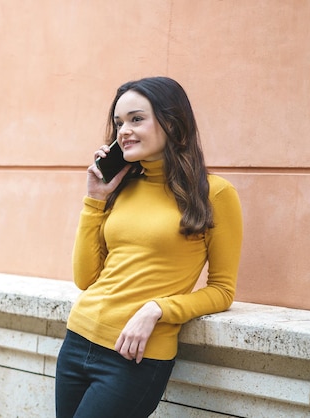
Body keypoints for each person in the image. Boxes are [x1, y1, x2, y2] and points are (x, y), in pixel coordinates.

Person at [55, 76, 243, 417]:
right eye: (118, 123)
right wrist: (94, 198)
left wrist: (158, 309)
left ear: (171, 122)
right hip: (78, 338)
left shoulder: (215, 194)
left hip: (134, 358)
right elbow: (85, 278)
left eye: (136, 119)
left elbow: (222, 290)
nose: (123, 130)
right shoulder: (120, 188)